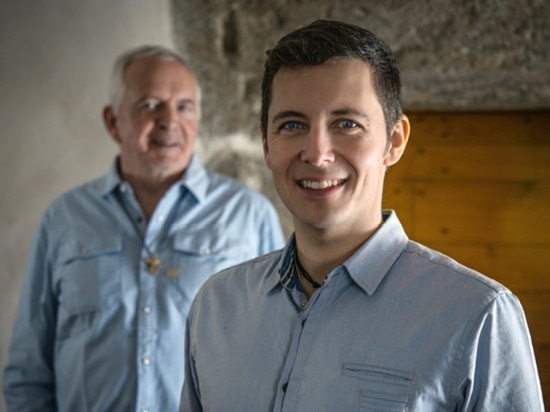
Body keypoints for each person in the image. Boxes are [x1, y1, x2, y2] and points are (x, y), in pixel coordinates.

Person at [180, 20, 544, 411]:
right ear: (266, 144)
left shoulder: (478, 316)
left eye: (347, 124)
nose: (317, 154)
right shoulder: (215, 306)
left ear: (394, 141)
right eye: (292, 125)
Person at [3, 45, 285, 412]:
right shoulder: (65, 218)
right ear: (112, 121)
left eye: (184, 107)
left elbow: (279, 358)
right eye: (150, 105)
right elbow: (28, 371)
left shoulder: (249, 215)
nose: (169, 121)